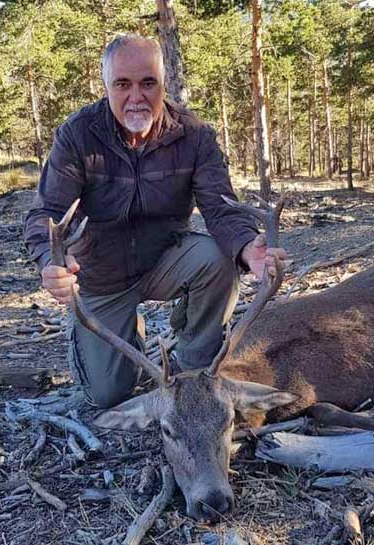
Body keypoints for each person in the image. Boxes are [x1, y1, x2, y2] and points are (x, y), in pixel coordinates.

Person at [24, 35, 285, 408]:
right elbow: (46, 213)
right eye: (123, 84)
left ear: (164, 82)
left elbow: (222, 207)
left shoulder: (193, 135)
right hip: (101, 275)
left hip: (165, 258)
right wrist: (51, 263)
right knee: (108, 395)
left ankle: (194, 368)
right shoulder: (78, 134)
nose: (136, 96)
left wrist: (246, 247)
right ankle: (125, 333)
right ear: (107, 85)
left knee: (218, 259)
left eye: (148, 83)